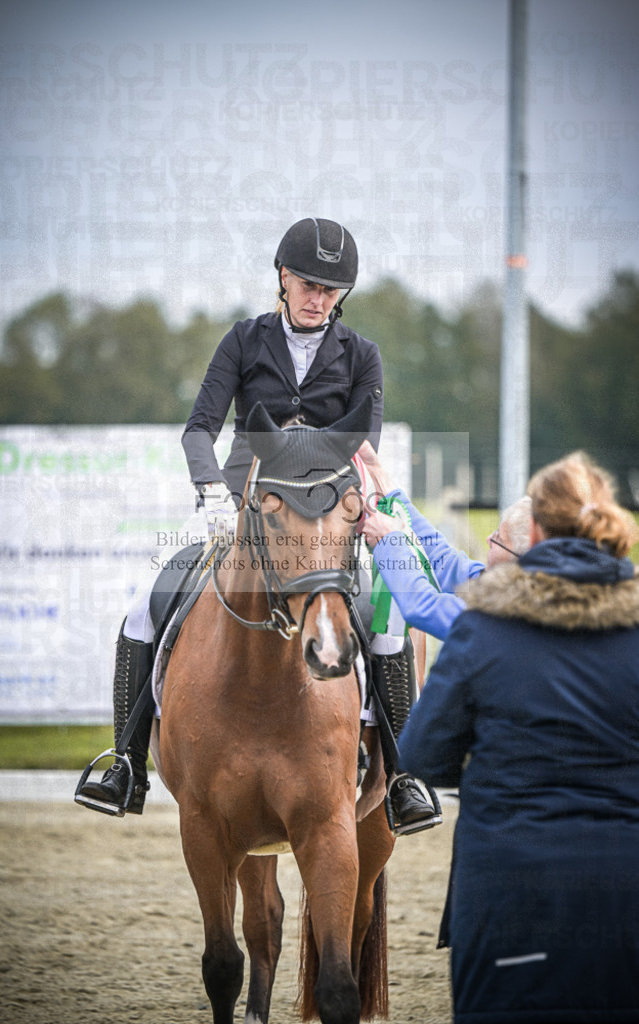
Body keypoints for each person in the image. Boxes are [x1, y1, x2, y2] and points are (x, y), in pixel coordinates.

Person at [77, 217, 435, 832]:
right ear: (282, 278)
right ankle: (126, 764)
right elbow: (199, 427)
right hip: (244, 502)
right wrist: (212, 488)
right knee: (144, 605)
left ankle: (402, 776)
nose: (317, 299)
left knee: (387, 613)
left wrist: (350, 508)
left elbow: (363, 443)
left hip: (329, 511)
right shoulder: (244, 340)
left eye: (330, 290)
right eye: (307, 284)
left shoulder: (363, 356)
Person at [397, 451, 639, 1023]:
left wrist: (500, 767)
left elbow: (421, 755)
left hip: (508, 895)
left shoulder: (483, 627)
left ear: (532, 532)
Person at [358, 441, 532, 639]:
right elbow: (444, 563)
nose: (488, 538)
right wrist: (379, 475)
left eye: (498, 538)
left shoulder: (505, 615)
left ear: (521, 559)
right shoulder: (523, 589)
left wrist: (389, 541)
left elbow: (422, 606)